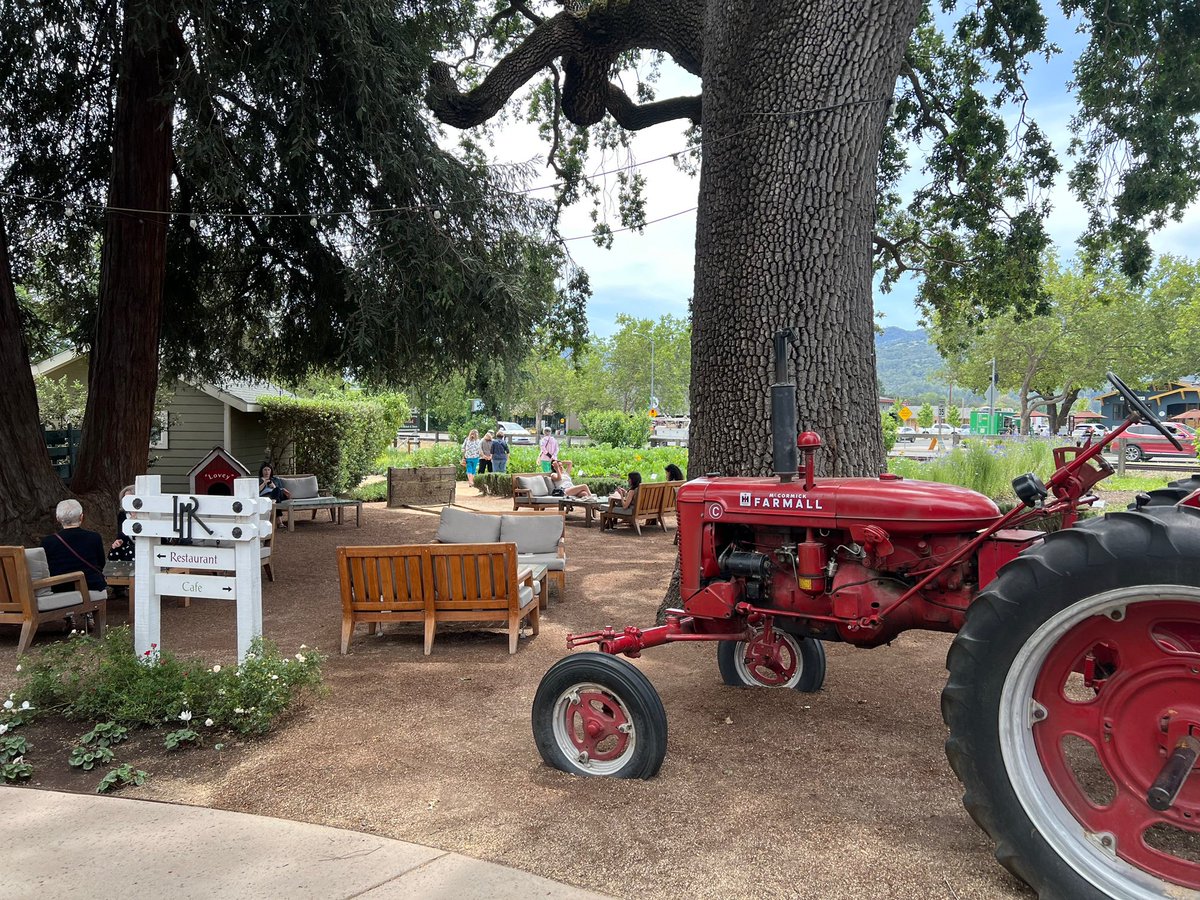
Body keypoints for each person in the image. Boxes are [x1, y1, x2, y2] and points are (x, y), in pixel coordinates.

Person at [42, 498, 107, 599]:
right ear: (81, 517)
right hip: (90, 584)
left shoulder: (48, 541)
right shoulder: (94, 537)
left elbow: (47, 568)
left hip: (60, 587)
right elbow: (101, 563)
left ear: (57, 518)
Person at [108, 485, 137, 561]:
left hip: (144, 548)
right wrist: (118, 542)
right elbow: (121, 536)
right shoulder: (122, 515)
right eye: (125, 499)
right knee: (115, 550)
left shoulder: (146, 515)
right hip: (128, 549)